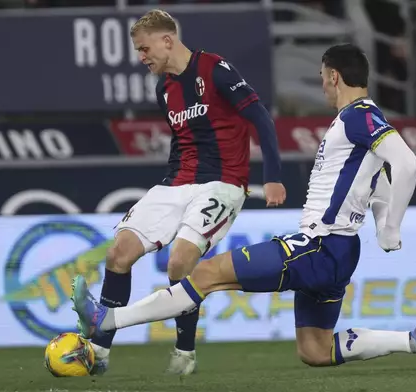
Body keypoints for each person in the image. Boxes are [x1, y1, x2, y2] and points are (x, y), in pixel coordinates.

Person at [72, 43, 416, 375]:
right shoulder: (359, 121)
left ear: (333, 75)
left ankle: (106, 321)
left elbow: (406, 163)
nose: (321, 84)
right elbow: (382, 178)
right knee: (315, 350)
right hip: (338, 252)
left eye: (321, 76)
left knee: (207, 273)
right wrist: (383, 220)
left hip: (320, 245)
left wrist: (390, 229)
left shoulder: (358, 117)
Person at [88, 9, 286, 376]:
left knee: (180, 262)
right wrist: (166, 192)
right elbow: (182, 143)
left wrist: (272, 176)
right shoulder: (164, 88)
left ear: (167, 40)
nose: (141, 57)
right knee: (119, 253)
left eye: (144, 49)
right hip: (177, 181)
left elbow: (260, 117)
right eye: (138, 51)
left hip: (224, 182)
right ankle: (97, 351)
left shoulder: (215, 68)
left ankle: (184, 352)